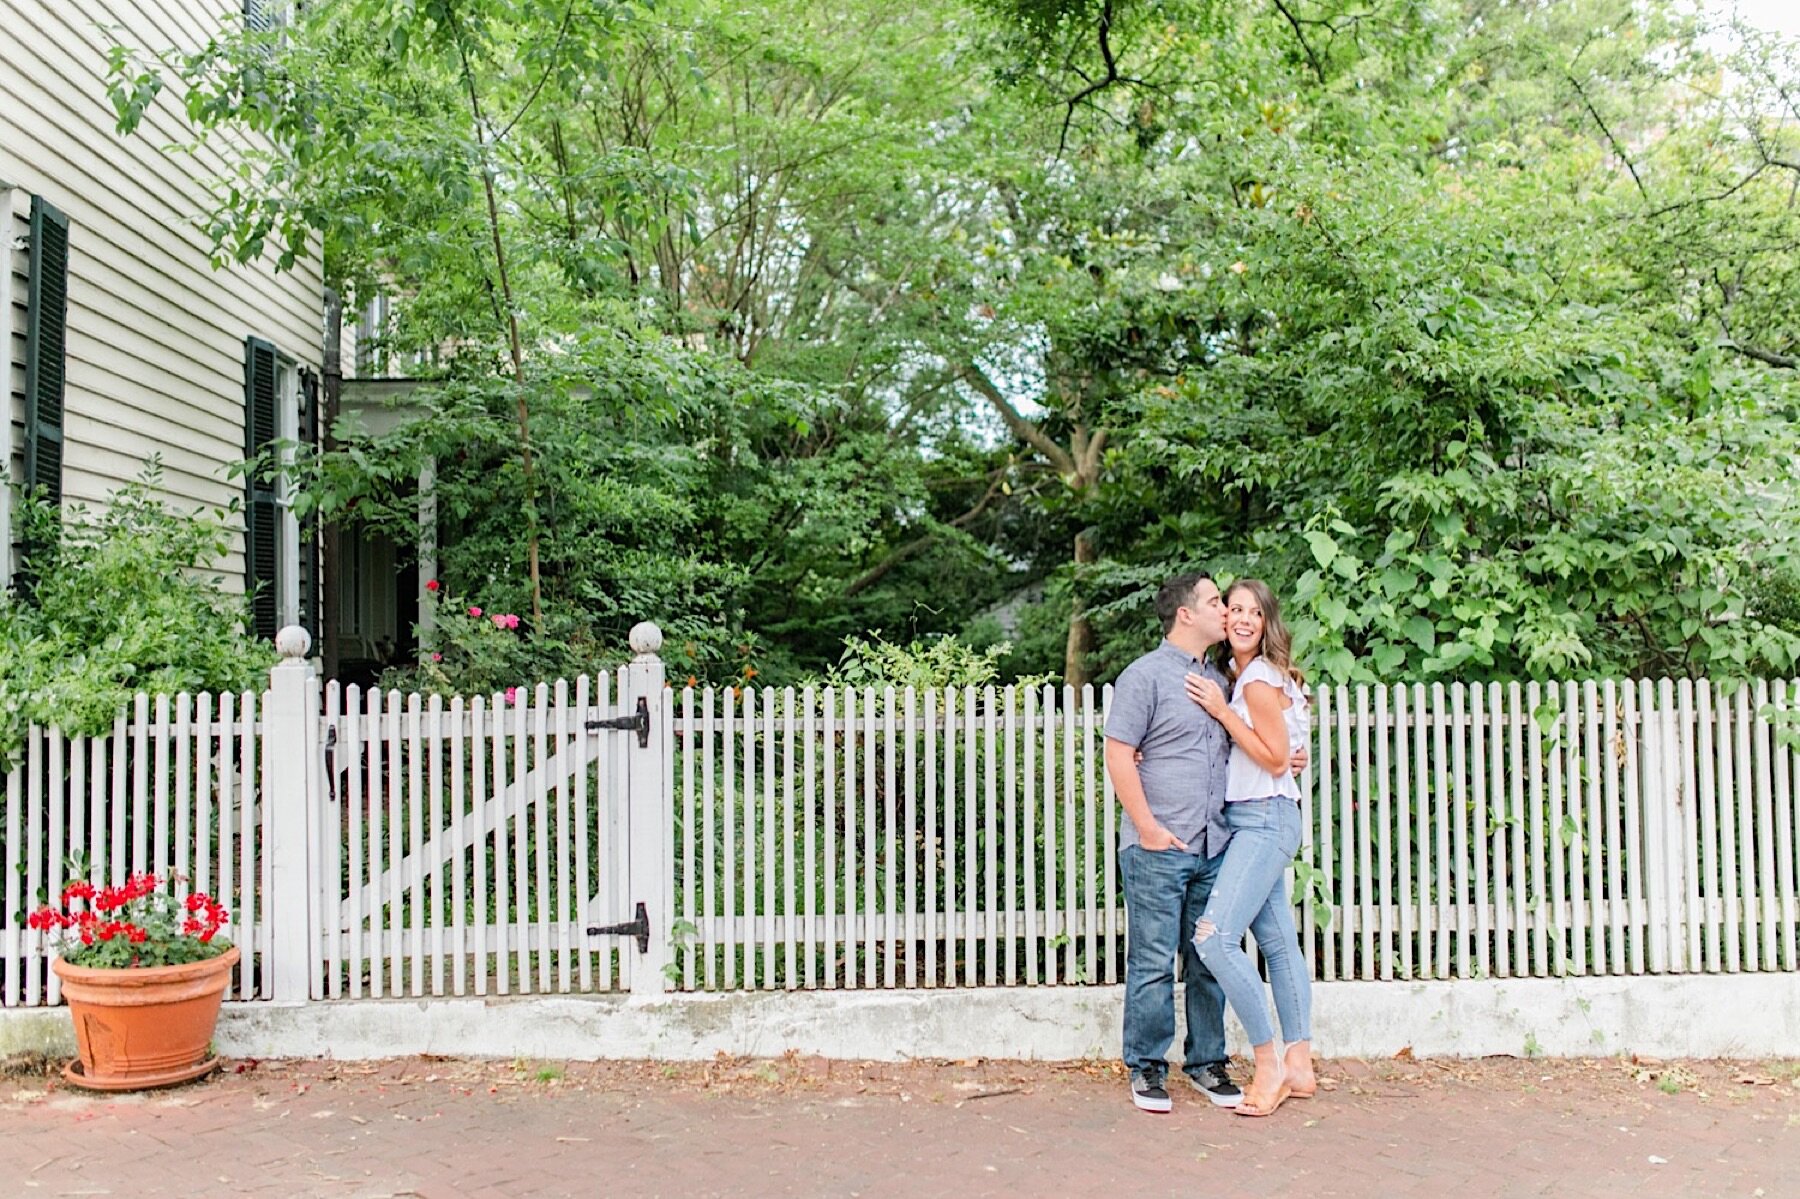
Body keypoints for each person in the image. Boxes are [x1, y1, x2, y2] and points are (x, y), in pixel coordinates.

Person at [1103, 571, 1304, 1114]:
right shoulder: (1143, 676)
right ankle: (1146, 1067)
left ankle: (1206, 1063)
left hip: (1216, 840)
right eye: (1216, 601)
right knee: (1151, 959)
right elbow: (1119, 752)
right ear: (1185, 614)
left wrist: (1290, 756)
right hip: (1159, 843)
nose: (1226, 611)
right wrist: (1146, 826)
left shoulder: (1222, 678)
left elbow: (1259, 745)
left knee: (1207, 959)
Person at [1184, 578, 1317, 1117]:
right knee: (1279, 943)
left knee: (1213, 939)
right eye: (1232, 609)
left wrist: (1223, 712)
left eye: (1252, 612)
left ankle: (1269, 1065)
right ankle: (1301, 1064)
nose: (1240, 619)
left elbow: (1276, 760)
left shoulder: (1255, 680)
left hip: (1263, 819)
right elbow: (1282, 751)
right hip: (1263, 816)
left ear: (1266, 623)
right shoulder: (1244, 677)